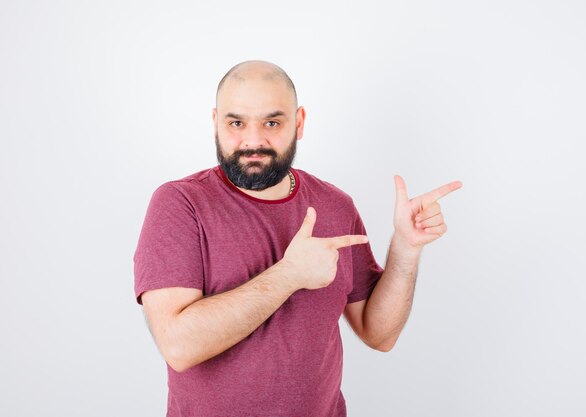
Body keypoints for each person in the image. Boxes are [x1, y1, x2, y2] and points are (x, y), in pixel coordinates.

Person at [133, 60, 462, 417]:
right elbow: (179, 346)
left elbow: (378, 334)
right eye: (236, 123)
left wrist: (406, 247)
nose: (253, 140)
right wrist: (290, 275)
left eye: (272, 122)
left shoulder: (334, 206)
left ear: (299, 123)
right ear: (215, 123)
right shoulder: (180, 204)